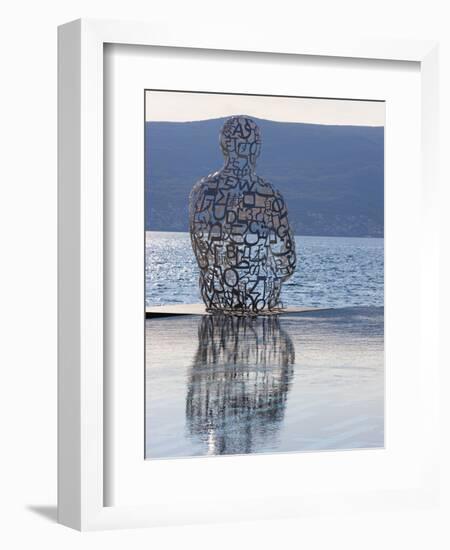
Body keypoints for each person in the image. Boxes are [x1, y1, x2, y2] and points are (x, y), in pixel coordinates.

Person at [189, 115, 296, 314]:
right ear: (256, 149)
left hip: (216, 295)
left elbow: (201, 257)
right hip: (259, 298)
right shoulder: (269, 196)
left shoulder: (200, 192)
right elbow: (286, 265)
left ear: (223, 146)